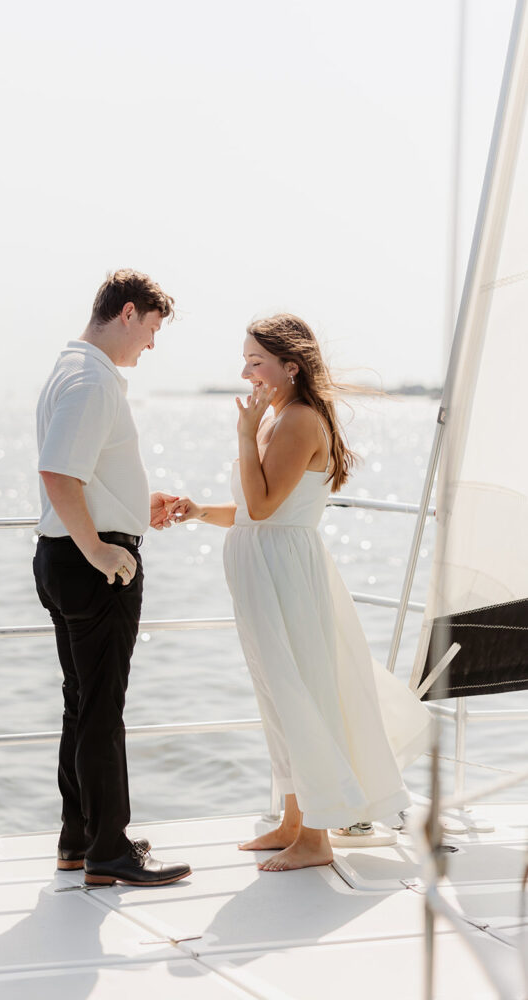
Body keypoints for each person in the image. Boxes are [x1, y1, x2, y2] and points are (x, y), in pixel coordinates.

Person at [168, 314, 430, 871]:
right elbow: (257, 512)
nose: (245, 372)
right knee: (275, 693)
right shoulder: (276, 415)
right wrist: (196, 512)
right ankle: (292, 821)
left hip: (282, 571)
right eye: (245, 359)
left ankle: (316, 836)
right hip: (265, 564)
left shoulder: (298, 421)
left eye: (255, 361)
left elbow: (264, 510)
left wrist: (243, 435)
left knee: (297, 692)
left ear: (291, 366)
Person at [33, 269, 191, 887]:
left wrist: (131, 504)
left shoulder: (70, 370)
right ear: (128, 314)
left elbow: (83, 473)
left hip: (65, 556)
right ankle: (108, 851)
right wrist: (100, 547)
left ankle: (80, 838)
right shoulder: (93, 381)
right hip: (90, 565)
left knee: (82, 705)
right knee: (102, 709)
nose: (151, 345)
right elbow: (58, 474)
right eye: (152, 329)